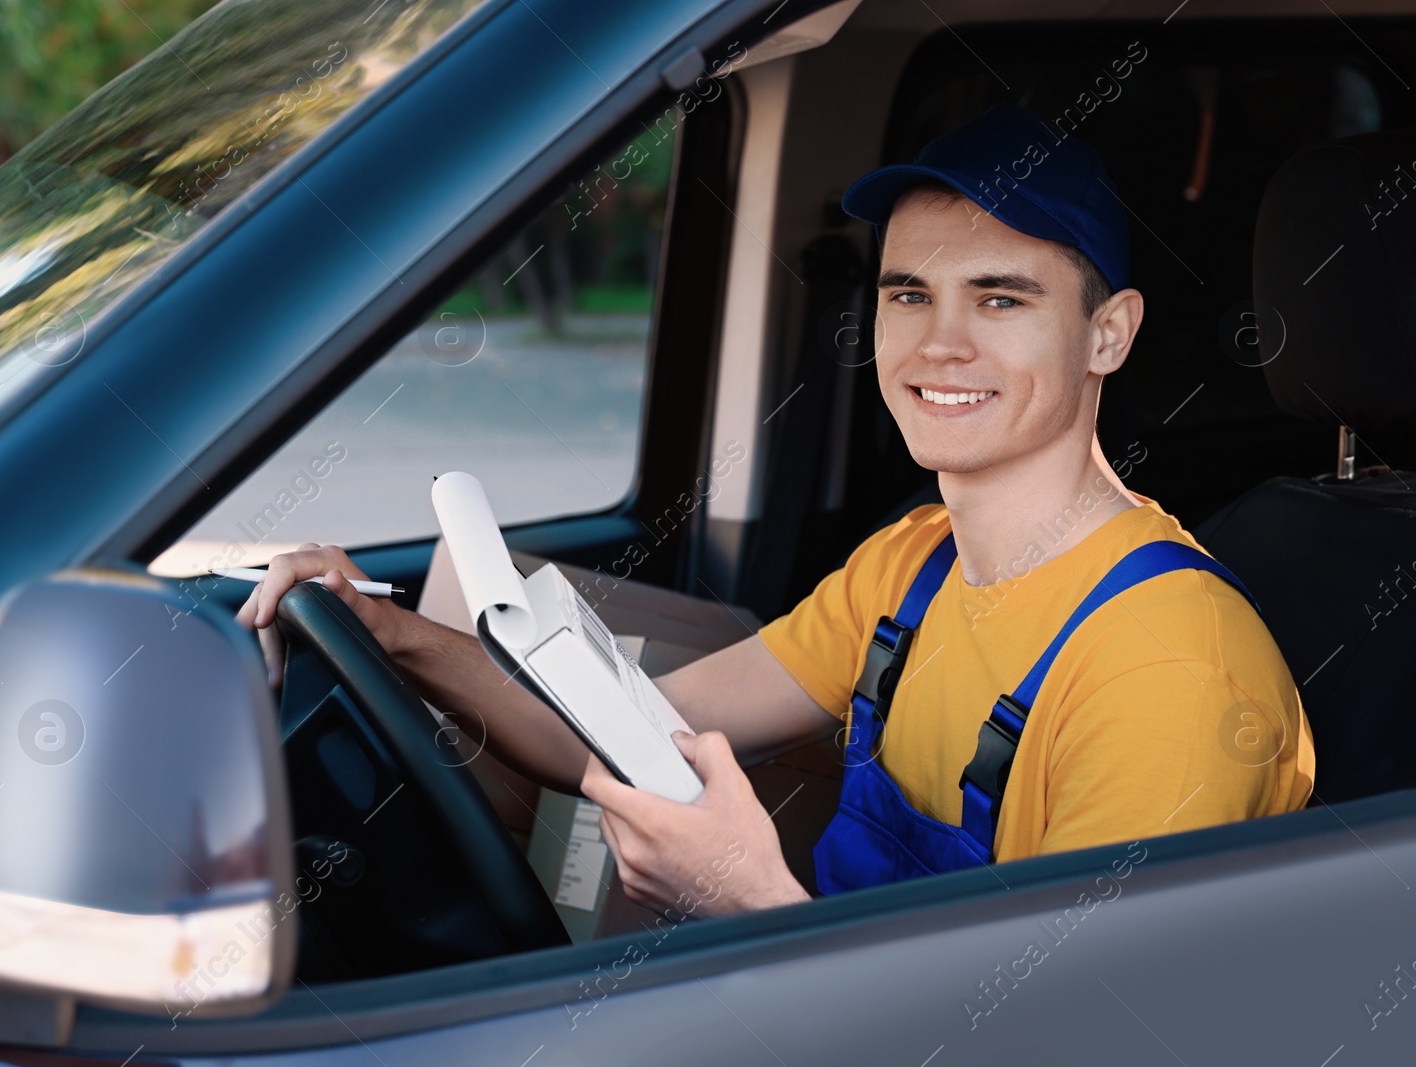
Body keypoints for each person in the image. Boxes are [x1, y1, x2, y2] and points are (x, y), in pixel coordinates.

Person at [237, 105, 1314, 916]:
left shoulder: (1169, 673)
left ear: (1108, 334)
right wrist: (386, 631)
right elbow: (620, 738)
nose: (938, 345)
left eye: (999, 298)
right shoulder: (914, 564)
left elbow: (1056, 1032)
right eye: (908, 294)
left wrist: (750, 900)